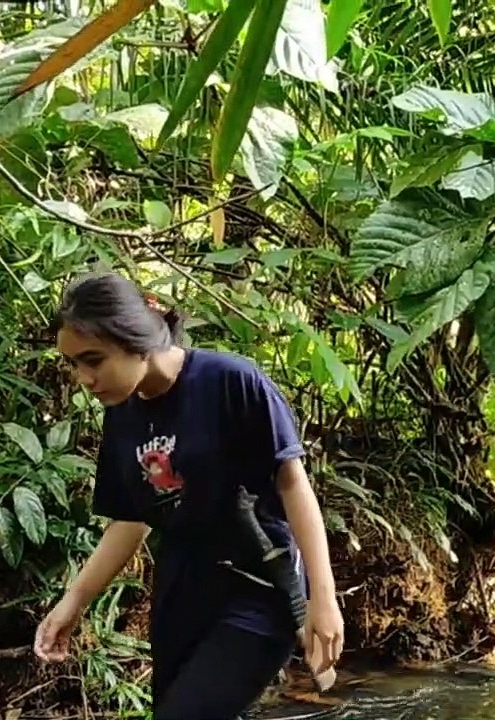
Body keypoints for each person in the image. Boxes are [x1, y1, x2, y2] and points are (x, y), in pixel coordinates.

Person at [32, 271, 344, 719]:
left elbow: (292, 485)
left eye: (93, 360)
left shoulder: (231, 381)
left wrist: (324, 599)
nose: (83, 377)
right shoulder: (123, 414)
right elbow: (130, 520)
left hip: (258, 589)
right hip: (182, 593)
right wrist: (73, 602)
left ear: (133, 337)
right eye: (74, 364)